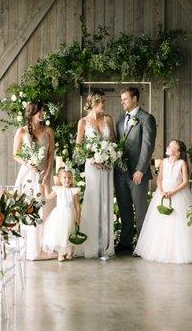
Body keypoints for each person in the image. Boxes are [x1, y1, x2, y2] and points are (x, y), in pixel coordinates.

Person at [134, 140, 192, 263]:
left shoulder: (182, 163)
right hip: (163, 193)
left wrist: (173, 192)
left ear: (178, 152)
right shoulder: (163, 162)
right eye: (169, 144)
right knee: (160, 222)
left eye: (172, 146)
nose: (168, 146)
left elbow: (185, 182)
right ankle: (159, 251)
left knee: (178, 223)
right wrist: (162, 190)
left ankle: (177, 253)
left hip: (178, 193)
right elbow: (159, 179)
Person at [114, 87, 157, 253]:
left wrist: (140, 170)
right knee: (124, 209)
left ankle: (142, 246)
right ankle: (125, 243)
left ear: (135, 99)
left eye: (125, 99)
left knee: (140, 211)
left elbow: (147, 147)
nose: (122, 102)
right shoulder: (120, 119)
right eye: (122, 99)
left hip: (137, 173)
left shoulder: (147, 119)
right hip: (120, 173)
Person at [75, 91, 116, 259]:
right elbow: (78, 147)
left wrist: (111, 155)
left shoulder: (108, 120)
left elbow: (114, 141)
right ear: (93, 103)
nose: (104, 105)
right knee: (93, 201)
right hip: (92, 166)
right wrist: (92, 159)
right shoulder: (83, 122)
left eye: (105, 102)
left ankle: (105, 247)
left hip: (107, 166)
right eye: (102, 102)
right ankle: (92, 246)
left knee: (106, 202)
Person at [13, 102, 56, 260]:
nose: (42, 114)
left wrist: (47, 174)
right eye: (39, 111)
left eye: (43, 111)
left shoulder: (49, 131)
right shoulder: (22, 131)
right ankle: (31, 248)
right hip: (28, 176)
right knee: (30, 211)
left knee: (45, 211)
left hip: (44, 175)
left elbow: (51, 155)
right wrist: (27, 163)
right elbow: (15, 154)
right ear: (31, 113)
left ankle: (43, 246)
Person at [42, 168, 81, 262]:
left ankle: (70, 253)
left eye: (69, 177)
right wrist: (46, 186)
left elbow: (77, 205)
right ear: (60, 179)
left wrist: (78, 217)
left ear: (72, 179)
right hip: (59, 215)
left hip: (71, 214)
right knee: (61, 234)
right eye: (64, 177)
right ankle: (60, 254)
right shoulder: (57, 189)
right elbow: (48, 197)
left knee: (70, 233)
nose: (67, 179)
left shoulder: (74, 190)